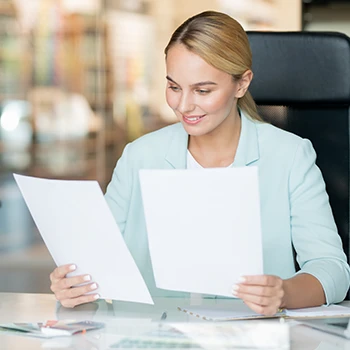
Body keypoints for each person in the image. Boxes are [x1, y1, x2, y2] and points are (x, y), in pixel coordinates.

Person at [49, 10, 350, 316]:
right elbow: (98, 265)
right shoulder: (139, 156)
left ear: (242, 83)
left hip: (252, 338)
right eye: (174, 87)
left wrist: (284, 293)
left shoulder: (288, 156)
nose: (183, 106)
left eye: (202, 90)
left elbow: (333, 270)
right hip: (152, 337)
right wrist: (76, 289)